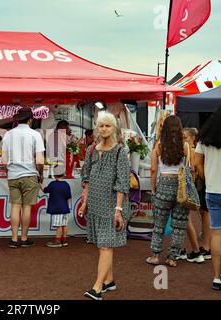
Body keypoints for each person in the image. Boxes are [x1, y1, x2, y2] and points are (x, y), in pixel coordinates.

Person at [78, 111, 130, 300]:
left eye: (108, 125)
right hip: (95, 205)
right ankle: (109, 281)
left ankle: (97, 288)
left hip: (112, 207)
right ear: (96, 128)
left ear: (114, 127)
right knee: (103, 245)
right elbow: (87, 179)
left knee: (106, 246)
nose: (104, 129)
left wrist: (118, 210)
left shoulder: (120, 152)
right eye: (101, 125)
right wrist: (85, 203)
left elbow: (123, 183)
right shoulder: (92, 149)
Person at [195, 102, 221, 291]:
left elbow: (197, 163)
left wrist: (208, 178)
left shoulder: (204, 139)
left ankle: (216, 277)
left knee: (217, 233)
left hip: (212, 192)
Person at [146, 116, 190, 268]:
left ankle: (155, 255)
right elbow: (190, 168)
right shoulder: (185, 146)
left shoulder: (158, 145)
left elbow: (153, 170)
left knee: (159, 224)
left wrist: (153, 188)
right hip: (181, 186)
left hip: (163, 184)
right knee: (179, 225)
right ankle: (172, 257)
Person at [2, 107, 45, 248]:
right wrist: (41, 174)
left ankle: (14, 239)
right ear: (30, 120)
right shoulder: (35, 135)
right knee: (27, 207)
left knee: (15, 206)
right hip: (30, 175)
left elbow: (3, 161)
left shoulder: (8, 135)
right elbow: (39, 160)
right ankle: (24, 238)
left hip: (13, 176)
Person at [177, 127, 205, 263]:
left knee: (185, 220)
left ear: (193, 138)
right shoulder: (190, 149)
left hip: (186, 188)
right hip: (188, 187)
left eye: (185, 137)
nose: (183, 140)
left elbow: (193, 168)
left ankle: (195, 250)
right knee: (184, 220)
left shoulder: (191, 150)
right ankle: (185, 249)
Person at [41, 174, 72, 248]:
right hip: (65, 208)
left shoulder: (53, 184)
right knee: (65, 224)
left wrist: (40, 184)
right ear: (64, 175)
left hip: (57, 208)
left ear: (55, 175)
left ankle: (57, 241)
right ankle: (64, 240)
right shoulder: (66, 184)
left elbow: (45, 190)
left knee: (59, 226)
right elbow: (68, 196)